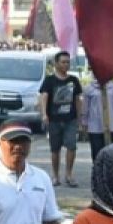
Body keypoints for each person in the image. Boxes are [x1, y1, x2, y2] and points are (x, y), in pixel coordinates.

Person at [38, 51, 82, 187]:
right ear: (56, 63)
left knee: (71, 146)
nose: (66, 65)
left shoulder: (73, 80)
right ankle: (55, 176)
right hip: (54, 120)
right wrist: (44, 114)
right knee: (55, 149)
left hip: (70, 119)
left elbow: (77, 100)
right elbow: (44, 97)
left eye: (68, 62)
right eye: (63, 62)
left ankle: (69, 174)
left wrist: (80, 118)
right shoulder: (49, 80)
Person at [81, 80, 113, 160]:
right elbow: (85, 108)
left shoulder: (112, 87)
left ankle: (110, 171)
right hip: (95, 126)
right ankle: (98, 171)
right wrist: (84, 123)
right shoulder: (89, 89)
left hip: (112, 124)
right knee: (97, 153)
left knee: (111, 152)